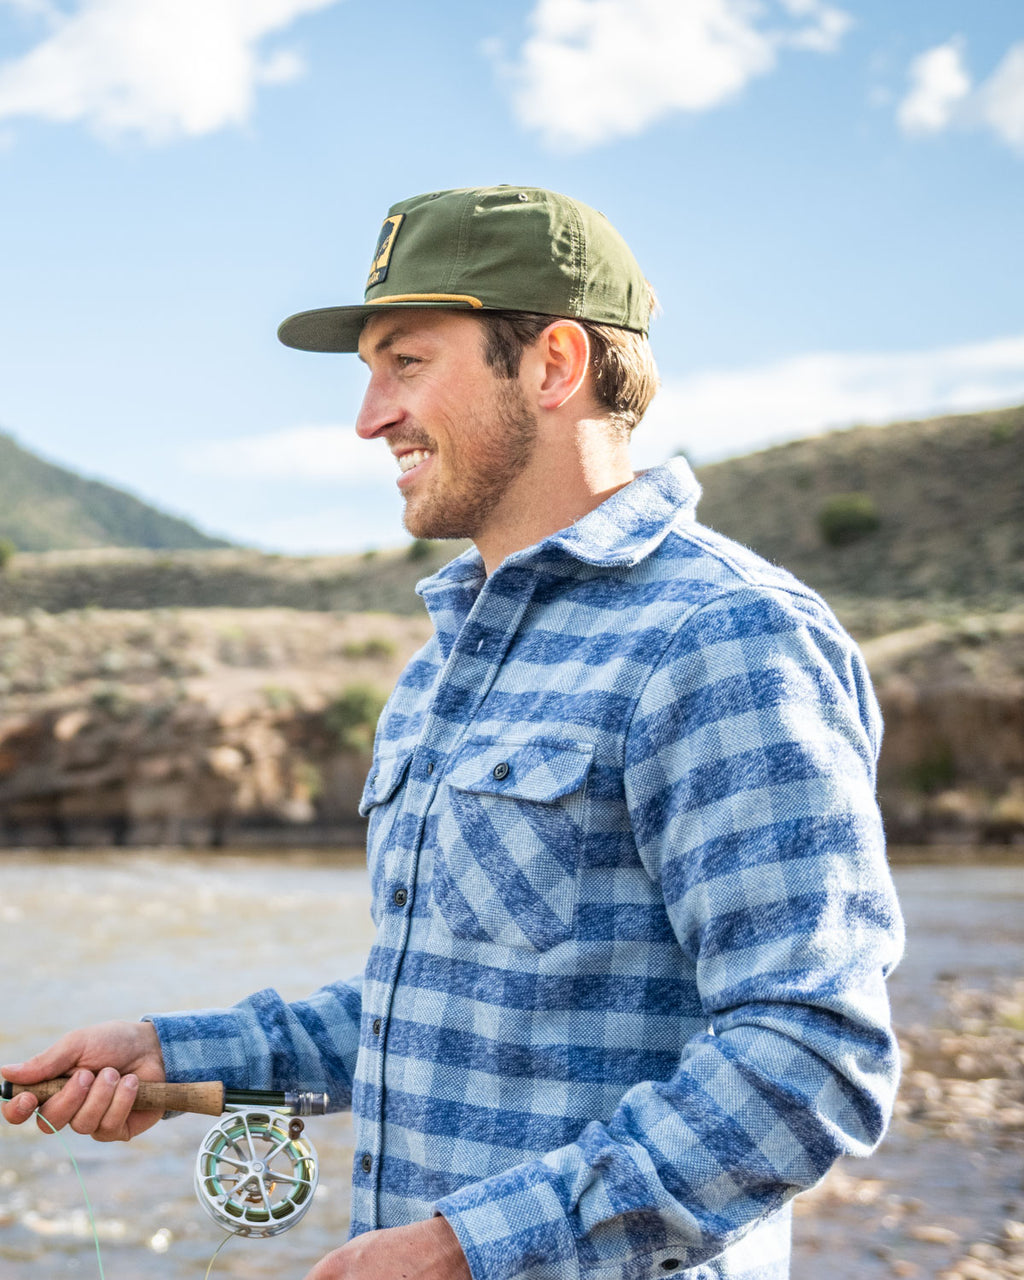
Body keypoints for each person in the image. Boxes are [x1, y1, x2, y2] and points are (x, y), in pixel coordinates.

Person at [2, 185, 904, 1280]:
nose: (369, 415)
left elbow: (809, 1056)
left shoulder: (726, 637)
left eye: (406, 362)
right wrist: (174, 1057)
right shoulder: (443, 664)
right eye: (370, 373)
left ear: (554, 364)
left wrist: (468, 1252)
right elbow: (434, 1016)